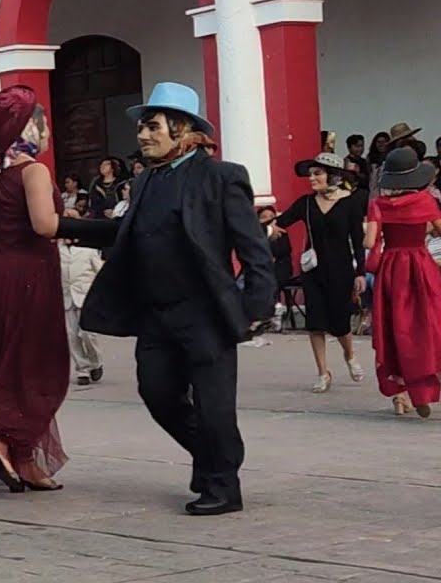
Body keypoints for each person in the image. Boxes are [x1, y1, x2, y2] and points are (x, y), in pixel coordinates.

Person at [56, 81, 276, 516]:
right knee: (157, 392)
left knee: (214, 407)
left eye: (152, 126)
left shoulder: (221, 176)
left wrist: (257, 307)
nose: (142, 136)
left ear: (183, 130)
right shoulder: (145, 183)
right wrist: (62, 226)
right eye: (142, 127)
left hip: (206, 313)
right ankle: (216, 457)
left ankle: (222, 486)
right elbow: (125, 233)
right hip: (156, 314)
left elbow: (253, 248)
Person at [0, 86, 69, 494]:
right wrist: (78, 223)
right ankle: (4, 439)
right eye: (43, 120)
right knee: (36, 363)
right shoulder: (34, 171)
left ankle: (25, 459)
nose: (48, 128)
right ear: (28, 126)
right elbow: (44, 226)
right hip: (31, 275)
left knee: (3, 356)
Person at [274, 152, 367, 393]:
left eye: (318, 173)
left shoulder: (351, 202)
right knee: (315, 323)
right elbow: (281, 222)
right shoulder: (305, 203)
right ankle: (323, 372)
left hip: (342, 269)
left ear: (333, 176)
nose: (312, 178)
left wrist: (360, 272)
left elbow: (357, 240)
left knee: (340, 322)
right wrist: (266, 226)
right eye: (311, 174)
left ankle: (349, 355)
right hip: (313, 270)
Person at [364, 147, 441, 418]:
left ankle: (401, 394)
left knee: (396, 328)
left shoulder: (378, 206)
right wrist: (423, 229)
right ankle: (427, 382)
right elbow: (439, 230)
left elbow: (369, 242)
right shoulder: (426, 202)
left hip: (392, 270)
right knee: (429, 323)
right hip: (421, 265)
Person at [59, 210, 104, 387]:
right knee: (72, 335)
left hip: (86, 295)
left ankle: (96, 362)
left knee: (87, 333)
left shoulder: (88, 250)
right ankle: (82, 369)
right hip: (67, 296)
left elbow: (100, 272)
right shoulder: (58, 251)